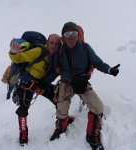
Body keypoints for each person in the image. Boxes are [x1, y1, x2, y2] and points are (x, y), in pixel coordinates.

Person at [49, 22, 120, 150]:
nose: (71, 36)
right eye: (68, 34)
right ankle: (61, 128)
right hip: (66, 82)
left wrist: (109, 70)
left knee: (97, 106)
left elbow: (98, 63)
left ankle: (92, 136)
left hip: (81, 82)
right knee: (61, 107)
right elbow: (54, 70)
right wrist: (43, 82)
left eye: (74, 33)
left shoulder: (85, 48)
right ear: (63, 37)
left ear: (78, 35)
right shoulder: (59, 50)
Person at [8, 33, 74, 146]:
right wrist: (13, 52)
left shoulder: (56, 57)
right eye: (52, 42)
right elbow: (19, 58)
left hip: (40, 83)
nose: (54, 45)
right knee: (24, 107)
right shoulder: (39, 51)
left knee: (57, 99)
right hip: (26, 82)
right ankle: (23, 132)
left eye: (57, 44)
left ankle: (64, 118)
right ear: (47, 42)